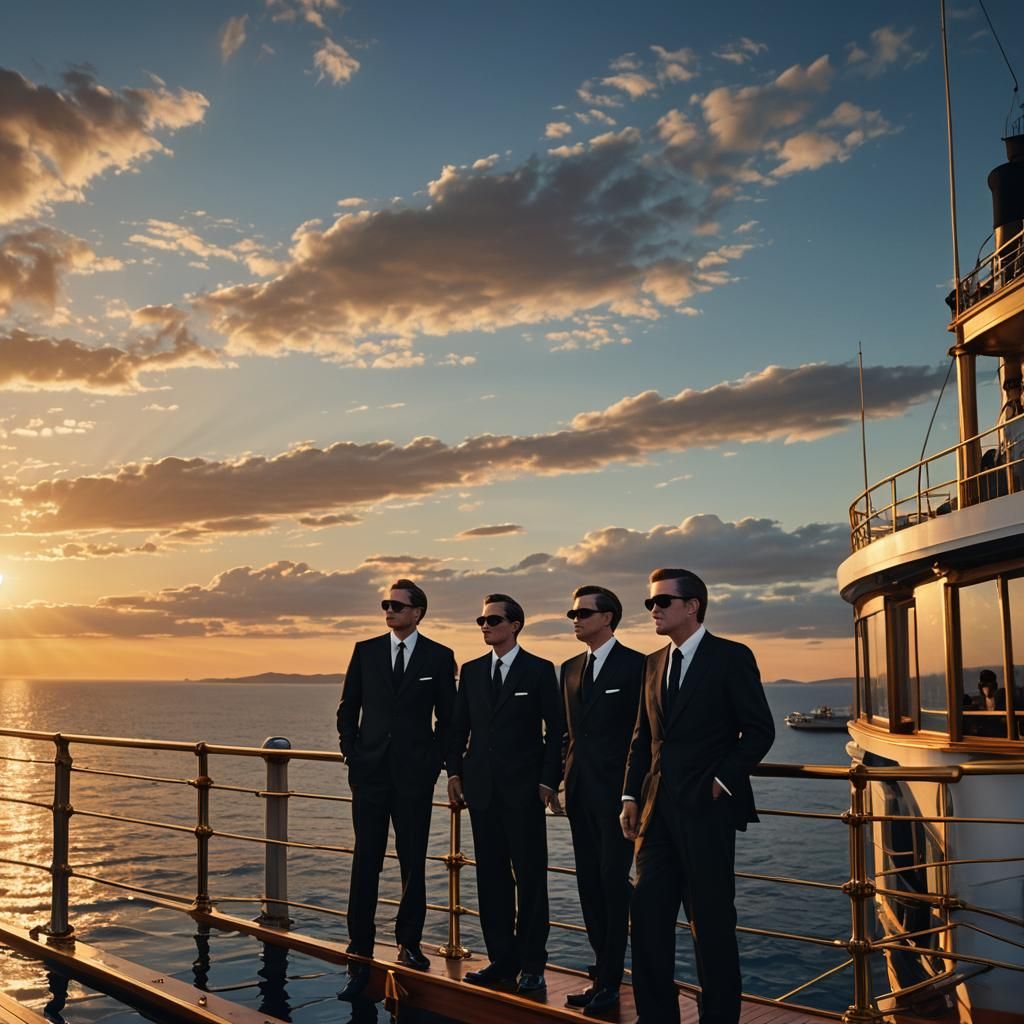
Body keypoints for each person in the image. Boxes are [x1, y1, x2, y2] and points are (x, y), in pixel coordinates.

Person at [621, 568, 775, 1024]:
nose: (654, 610)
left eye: (662, 602)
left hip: (707, 811)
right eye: (650, 603)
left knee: (710, 925)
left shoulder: (730, 657)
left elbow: (759, 731)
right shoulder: (652, 663)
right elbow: (642, 738)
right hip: (656, 813)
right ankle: (656, 1017)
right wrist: (630, 796)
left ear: (693, 606)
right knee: (646, 917)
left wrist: (721, 780)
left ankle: (720, 1018)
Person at [336, 579, 457, 999]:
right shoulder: (365, 651)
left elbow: (450, 718)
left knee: (413, 859)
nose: (388, 611)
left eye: (396, 605)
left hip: (413, 776)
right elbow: (348, 706)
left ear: (417, 612)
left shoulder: (439, 657)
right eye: (385, 604)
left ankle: (410, 943)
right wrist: (351, 752)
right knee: (365, 860)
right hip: (369, 773)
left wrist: (433, 761)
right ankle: (359, 950)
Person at [447, 594, 563, 994]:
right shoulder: (474, 671)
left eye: (492, 619)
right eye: (480, 620)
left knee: (531, 879)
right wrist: (454, 774)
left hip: (525, 792)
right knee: (491, 880)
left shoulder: (540, 671)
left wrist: (549, 781)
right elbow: (458, 729)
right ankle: (502, 959)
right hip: (481, 791)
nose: (484, 626)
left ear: (515, 624)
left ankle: (533, 963)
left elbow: (557, 733)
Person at [560, 585, 644, 1016]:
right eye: (572, 612)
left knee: (613, 885)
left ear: (608, 618)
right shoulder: (570, 667)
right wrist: (558, 780)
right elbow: (566, 734)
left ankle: (612, 980)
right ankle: (602, 977)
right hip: (578, 793)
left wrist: (633, 792)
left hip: (618, 797)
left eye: (583, 612)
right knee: (589, 886)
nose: (574, 618)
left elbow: (642, 736)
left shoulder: (638, 667)